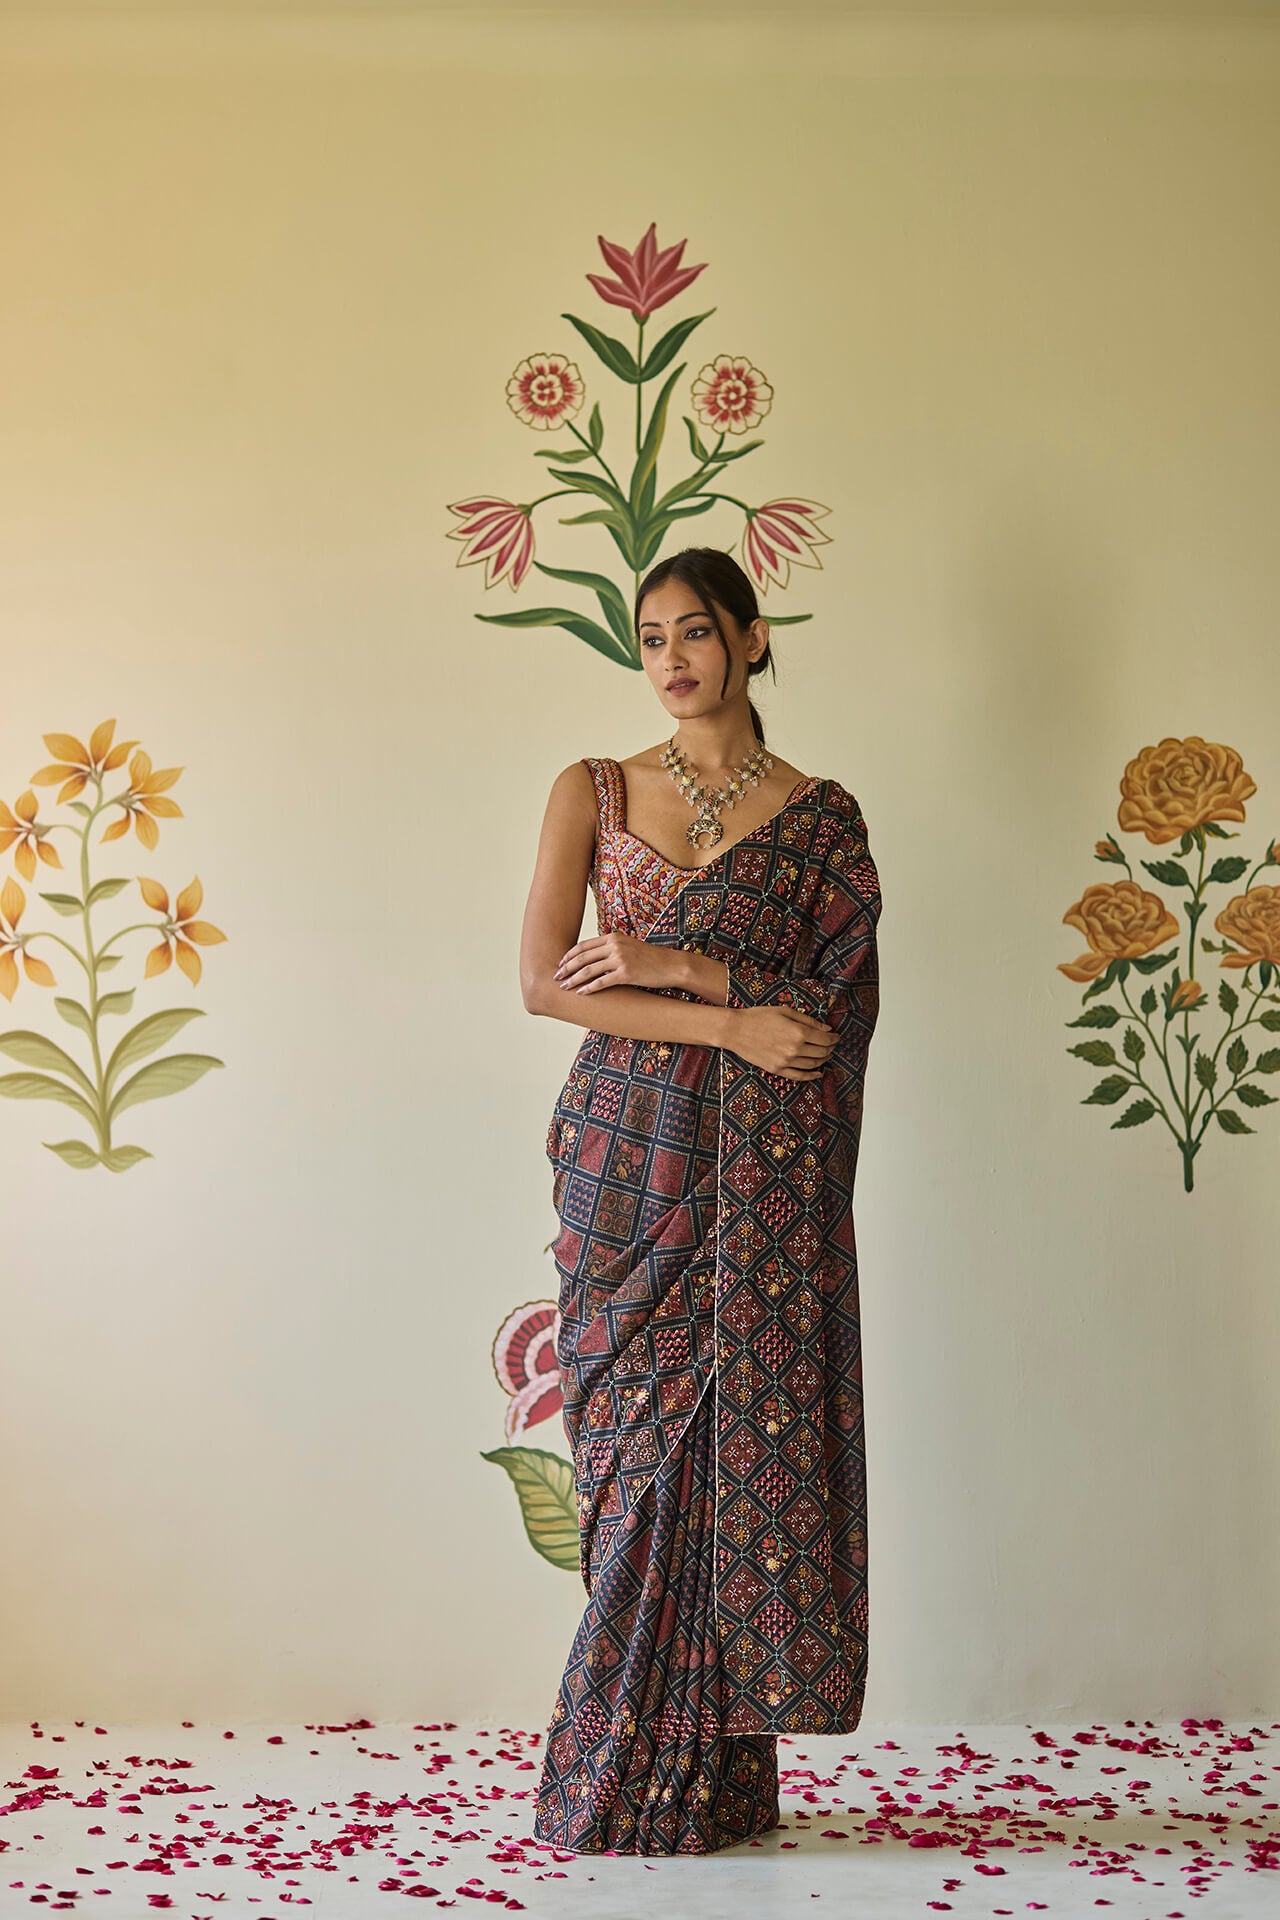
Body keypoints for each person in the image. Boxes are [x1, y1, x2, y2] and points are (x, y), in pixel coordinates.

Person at [518, 545, 883, 1855]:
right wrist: (725, 1019)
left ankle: (712, 1784)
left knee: (731, 1458)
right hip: (626, 1160)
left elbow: (830, 1008)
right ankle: (612, 1777)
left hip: (756, 1189)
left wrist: (688, 966)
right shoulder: (595, 788)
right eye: (651, 638)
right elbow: (547, 987)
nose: (671, 661)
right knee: (631, 1466)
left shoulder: (820, 818)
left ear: (752, 638)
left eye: (695, 633)